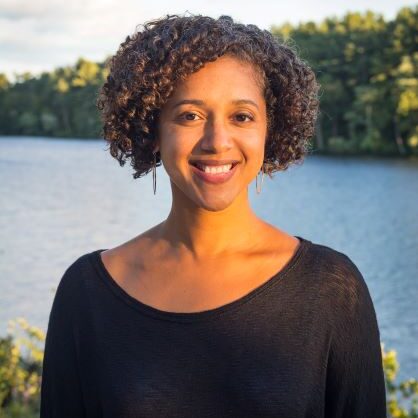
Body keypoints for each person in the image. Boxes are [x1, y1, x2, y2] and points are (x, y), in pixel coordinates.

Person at [40, 14, 387, 418]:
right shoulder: (87, 293)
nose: (218, 141)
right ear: (153, 130)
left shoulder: (331, 288)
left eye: (242, 116)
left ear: (269, 131)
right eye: (189, 115)